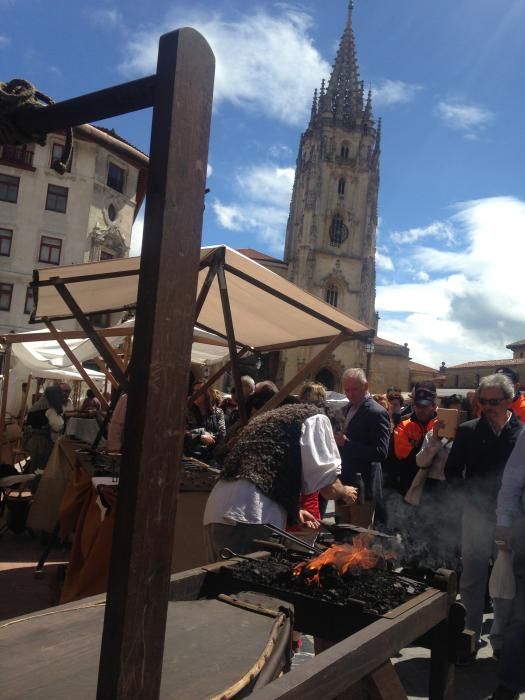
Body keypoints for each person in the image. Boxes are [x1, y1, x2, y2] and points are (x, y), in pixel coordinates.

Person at [203, 402, 357, 561]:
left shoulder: (274, 418)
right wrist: (345, 491)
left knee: (217, 581)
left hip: (217, 508)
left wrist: (295, 510)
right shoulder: (318, 419)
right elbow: (328, 487)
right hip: (250, 516)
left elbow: (267, 468)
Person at [445, 373, 523, 660]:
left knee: (506, 582)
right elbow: (453, 472)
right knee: (472, 579)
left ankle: (500, 640)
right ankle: (469, 638)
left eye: (494, 401)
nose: (487, 406)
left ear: (509, 400)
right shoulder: (467, 431)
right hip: (476, 516)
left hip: (512, 521)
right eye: (483, 401)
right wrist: (467, 501)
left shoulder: (522, 433)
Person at [334, 368, 390, 528]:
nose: (350, 394)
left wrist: (347, 443)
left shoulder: (377, 413)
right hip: (342, 483)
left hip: (363, 488)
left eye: (354, 389)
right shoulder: (344, 409)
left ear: (366, 386)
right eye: (347, 390)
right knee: (340, 536)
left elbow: (380, 453)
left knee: (357, 541)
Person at [392, 383, 438, 497]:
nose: (421, 410)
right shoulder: (403, 425)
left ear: (433, 406)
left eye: (425, 406)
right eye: (418, 405)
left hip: (436, 489)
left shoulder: (443, 425)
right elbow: (407, 456)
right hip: (409, 486)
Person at [23, 385, 65, 473]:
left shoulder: (37, 405)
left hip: (29, 440)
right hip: (41, 443)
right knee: (45, 465)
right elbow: (57, 427)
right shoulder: (50, 410)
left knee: (36, 467)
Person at [185, 381, 226, 464]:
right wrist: (199, 435)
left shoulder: (218, 412)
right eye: (194, 391)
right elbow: (182, 431)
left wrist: (210, 438)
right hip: (189, 455)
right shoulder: (187, 410)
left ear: (208, 394)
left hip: (211, 455)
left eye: (199, 391)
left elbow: (222, 433)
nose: (195, 394)